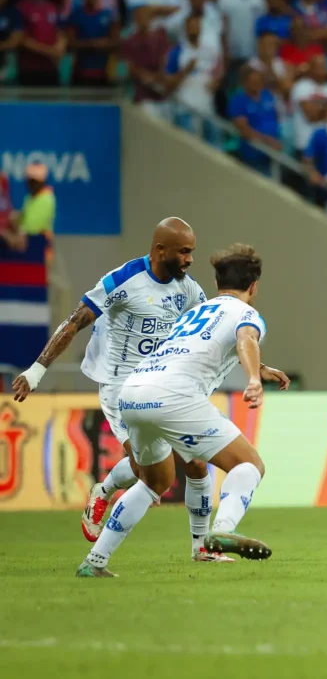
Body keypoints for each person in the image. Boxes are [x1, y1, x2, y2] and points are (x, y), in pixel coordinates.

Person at [11, 218, 234, 562]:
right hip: (121, 389)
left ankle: (201, 549)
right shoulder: (122, 280)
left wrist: (256, 366)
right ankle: (106, 491)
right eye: (184, 252)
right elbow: (75, 322)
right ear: (160, 250)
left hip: (163, 385)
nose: (190, 260)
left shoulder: (188, 290)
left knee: (197, 464)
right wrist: (37, 369)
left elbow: (211, 332)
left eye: (191, 252)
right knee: (154, 476)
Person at [77, 244, 290, 577]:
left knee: (154, 481)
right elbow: (246, 339)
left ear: (217, 283)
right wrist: (253, 378)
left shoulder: (194, 312)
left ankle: (94, 563)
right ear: (254, 287)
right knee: (249, 464)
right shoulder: (246, 314)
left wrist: (259, 368)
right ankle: (222, 529)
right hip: (174, 396)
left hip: (133, 392)